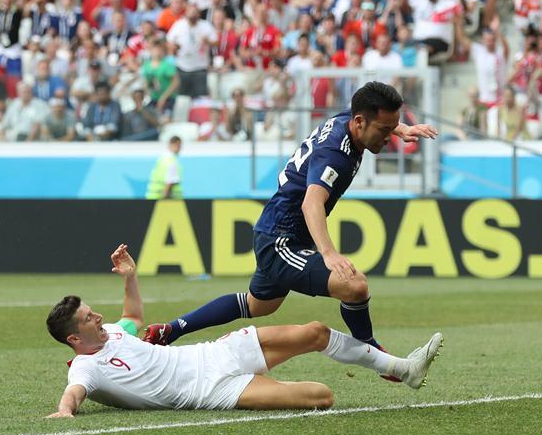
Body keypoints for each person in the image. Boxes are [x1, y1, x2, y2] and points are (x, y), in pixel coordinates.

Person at [143, 83, 438, 384]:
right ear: (360, 122)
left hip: (277, 231)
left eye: (391, 128)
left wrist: (399, 128)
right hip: (281, 240)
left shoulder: (346, 121)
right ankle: (378, 356)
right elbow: (312, 204)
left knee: (258, 304)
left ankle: (170, 329)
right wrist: (328, 253)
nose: (388, 137)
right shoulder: (335, 153)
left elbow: (363, 116)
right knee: (355, 286)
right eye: (384, 129)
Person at [45, 245, 443, 418]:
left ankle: (404, 369)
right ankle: (267, 382)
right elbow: (73, 396)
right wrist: (64, 411)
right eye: (88, 318)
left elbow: (131, 314)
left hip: (211, 354)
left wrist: (130, 277)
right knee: (322, 397)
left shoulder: (112, 331)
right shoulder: (85, 369)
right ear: (74, 339)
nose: (98, 317)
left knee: (316, 331)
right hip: (210, 392)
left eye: (93, 311)